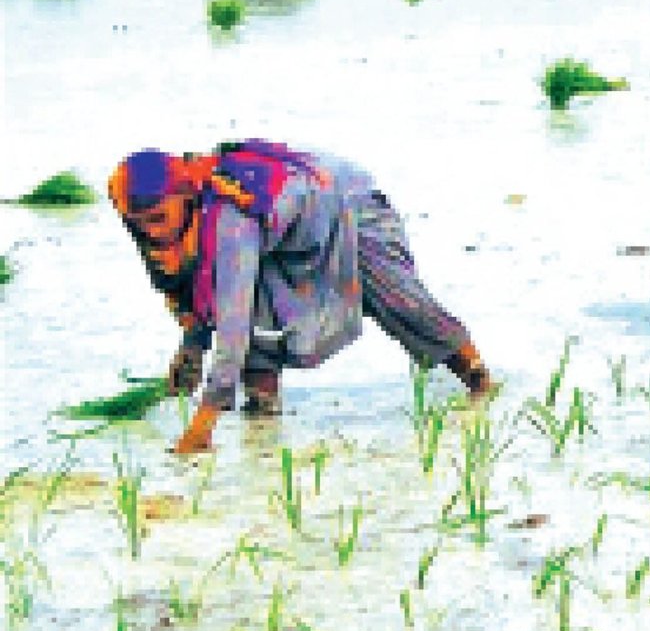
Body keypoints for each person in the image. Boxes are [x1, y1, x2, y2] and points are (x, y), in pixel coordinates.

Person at [108, 141, 493, 454]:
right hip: (284, 235)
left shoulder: (232, 218)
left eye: (158, 219)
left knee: (400, 301)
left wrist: (201, 429)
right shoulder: (154, 223)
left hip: (344, 200)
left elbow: (231, 326)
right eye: (140, 224)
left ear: (187, 196)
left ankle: (480, 383)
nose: (151, 233)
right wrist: (192, 345)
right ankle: (262, 423)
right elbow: (195, 289)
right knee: (260, 312)